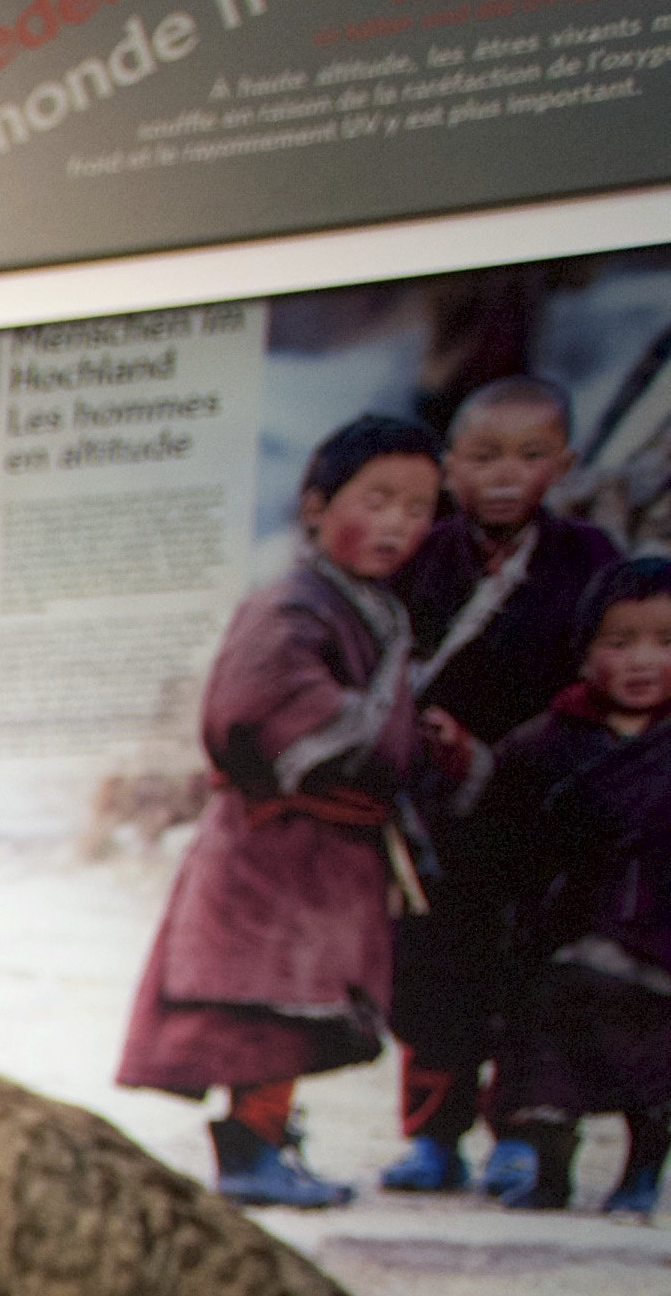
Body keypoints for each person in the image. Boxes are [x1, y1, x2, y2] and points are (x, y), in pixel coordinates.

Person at [116, 410, 460, 1211]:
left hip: (322, 850)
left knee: (293, 1005)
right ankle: (251, 1152)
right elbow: (254, 706)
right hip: (274, 846)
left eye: (417, 509)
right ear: (315, 506)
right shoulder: (291, 605)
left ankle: (266, 1142)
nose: (398, 525)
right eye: (377, 500)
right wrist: (388, 734)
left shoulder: (368, 606)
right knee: (262, 1007)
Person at [385, 376, 629, 1192]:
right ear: (450, 465)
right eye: (484, 456)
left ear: (564, 464)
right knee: (434, 967)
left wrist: (517, 752)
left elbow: (607, 671)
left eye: (529, 455)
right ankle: (432, 1134)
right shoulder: (421, 555)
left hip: (545, 803)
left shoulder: (589, 558)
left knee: (533, 970)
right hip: (440, 811)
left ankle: (523, 1136)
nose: (504, 475)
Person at [469, 551, 671, 1218]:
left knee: (655, 1063)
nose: (643, 660)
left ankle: (642, 1170)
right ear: (584, 653)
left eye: (666, 642)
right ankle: (550, 1172)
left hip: (660, 944)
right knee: (544, 1060)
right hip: (560, 940)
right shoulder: (541, 744)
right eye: (620, 642)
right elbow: (500, 844)